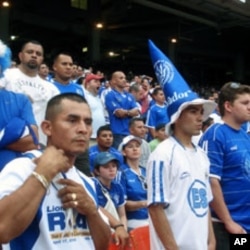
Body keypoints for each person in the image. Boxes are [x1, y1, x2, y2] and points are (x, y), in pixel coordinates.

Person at [0, 93, 111, 249]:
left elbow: (103, 245)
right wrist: (43, 175)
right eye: (72, 121)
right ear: (47, 127)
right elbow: (3, 229)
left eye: (88, 122)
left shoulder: (87, 181)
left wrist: (92, 212)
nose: (83, 129)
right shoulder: (22, 167)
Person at [147, 39, 216, 250]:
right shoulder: (162, 154)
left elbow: (203, 203)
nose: (200, 118)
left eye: (201, 113)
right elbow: (156, 209)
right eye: (193, 112)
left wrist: (211, 241)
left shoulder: (201, 155)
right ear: (177, 117)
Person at [199, 82, 250, 250]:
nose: (249, 107)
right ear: (228, 106)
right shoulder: (215, 134)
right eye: (245, 103)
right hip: (224, 226)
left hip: (244, 225)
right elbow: (211, 182)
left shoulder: (244, 134)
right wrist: (228, 222)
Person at [0, 40, 59, 146]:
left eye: (38, 54)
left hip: (39, 143)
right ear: (21, 56)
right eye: (30, 52)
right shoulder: (5, 76)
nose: (34, 55)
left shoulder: (51, 89)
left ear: (42, 59)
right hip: (7, 142)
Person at [118, 135, 148, 230]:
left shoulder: (146, 171)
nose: (135, 149)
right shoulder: (121, 173)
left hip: (152, 218)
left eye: (137, 146)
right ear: (124, 152)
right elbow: (122, 204)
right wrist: (144, 203)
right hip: (134, 220)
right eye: (130, 147)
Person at [105, 71, 140, 149]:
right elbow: (119, 113)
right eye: (121, 78)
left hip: (130, 132)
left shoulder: (129, 95)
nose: (124, 80)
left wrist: (126, 112)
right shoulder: (110, 95)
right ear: (114, 81)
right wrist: (130, 112)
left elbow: (136, 112)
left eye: (124, 78)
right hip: (117, 133)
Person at [92, 151, 127, 229]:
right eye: (106, 167)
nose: (111, 169)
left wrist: (123, 230)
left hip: (116, 229)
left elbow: (122, 215)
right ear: (97, 171)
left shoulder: (118, 187)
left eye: (114, 166)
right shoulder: (92, 185)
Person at [84, 73, 106, 146]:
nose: (99, 83)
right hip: (89, 137)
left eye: (99, 82)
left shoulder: (98, 98)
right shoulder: (84, 97)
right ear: (88, 84)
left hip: (99, 136)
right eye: (95, 81)